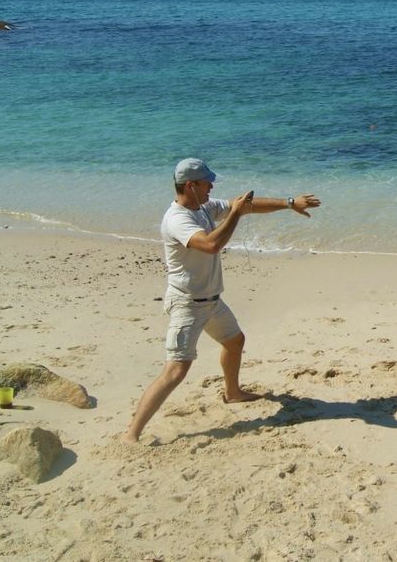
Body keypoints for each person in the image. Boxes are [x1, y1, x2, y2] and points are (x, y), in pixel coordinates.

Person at [124, 158, 321, 444]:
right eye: (207, 182)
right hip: (187, 304)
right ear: (191, 185)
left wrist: (290, 203)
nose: (212, 186)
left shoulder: (203, 206)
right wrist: (236, 215)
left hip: (212, 301)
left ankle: (233, 393)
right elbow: (210, 244)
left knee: (234, 341)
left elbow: (246, 206)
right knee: (176, 369)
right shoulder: (178, 219)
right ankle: (132, 433)